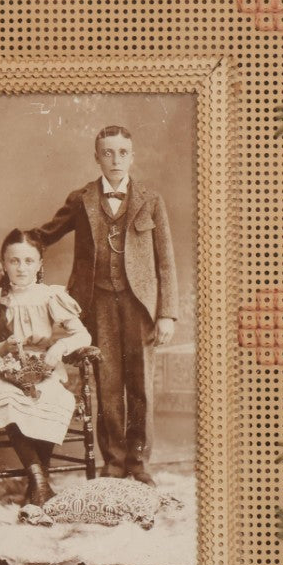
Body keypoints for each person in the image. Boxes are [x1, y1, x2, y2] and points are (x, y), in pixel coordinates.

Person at [32, 125, 178, 486]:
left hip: (140, 305)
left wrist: (167, 314)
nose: (116, 160)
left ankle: (138, 462)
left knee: (140, 385)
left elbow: (166, 263)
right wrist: (10, 250)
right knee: (107, 382)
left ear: (133, 155)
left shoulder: (151, 199)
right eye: (108, 152)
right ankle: (113, 461)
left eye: (123, 152)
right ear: (96, 156)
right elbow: (45, 234)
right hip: (96, 304)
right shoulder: (81, 198)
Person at [0, 228, 92, 506]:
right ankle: (40, 483)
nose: (21, 268)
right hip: (2, 370)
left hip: (41, 367)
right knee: (6, 400)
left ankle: (37, 486)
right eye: (14, 261)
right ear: (4, 264)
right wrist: (3, 348)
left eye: (29, 261)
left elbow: (83, 335)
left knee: (54, 398)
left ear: (40, 264)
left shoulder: (49, 296)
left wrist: (59, 347)